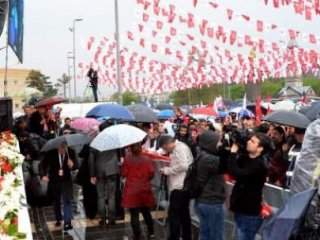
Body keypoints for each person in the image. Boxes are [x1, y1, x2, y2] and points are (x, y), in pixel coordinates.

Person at [228, 133, 272, 240]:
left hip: (249, 212)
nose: (248, 142)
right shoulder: (247, 157)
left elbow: (236, 173)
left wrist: (233, 153)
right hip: (240, 208)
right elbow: (230, 166)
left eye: (252, 141)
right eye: (249, 140)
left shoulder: (260, 165)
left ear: (260, 148)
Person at [159, 135, 193, 240]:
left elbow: (184, 165)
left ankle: (174, 236)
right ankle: (187, 236)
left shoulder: (179, 148)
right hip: (183, 185)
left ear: (168, 144)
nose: (166, 150)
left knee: (174, 214)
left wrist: (167, 170)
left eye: (165, 148)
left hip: (180, 186)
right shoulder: (179, 147)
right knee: (184, 214)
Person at [39, 142, 77, 231]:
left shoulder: (71, 152)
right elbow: (41, 164)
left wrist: (72, 165)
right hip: (54, 180)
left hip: (66, 180)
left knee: (67, 200)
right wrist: (43, 175)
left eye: (64, 148)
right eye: (61, 148)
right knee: (56, 201)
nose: (62, 150)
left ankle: (67, 222)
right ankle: (58, 218)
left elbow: (76, 165)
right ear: (57, 147)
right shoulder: (51, 152)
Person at [195, 131, 226, 240]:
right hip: (212, 203)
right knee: (216, 235)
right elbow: (226, 165)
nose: (221, 144)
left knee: (204, 233)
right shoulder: (209, 159)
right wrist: (231, 151)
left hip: (203, 201)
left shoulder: (201, 154)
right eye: (219, 142)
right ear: (211, 143)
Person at [122, 143, 155, 240]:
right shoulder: (147, 159)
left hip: (132, 189)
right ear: (141, 148)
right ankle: (151, 231)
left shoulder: (127, 159)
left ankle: (137, 236)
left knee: (134, 214)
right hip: (144, 188)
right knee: (146, 212)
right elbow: (151, 173)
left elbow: (124, 173)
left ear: (131, 149)